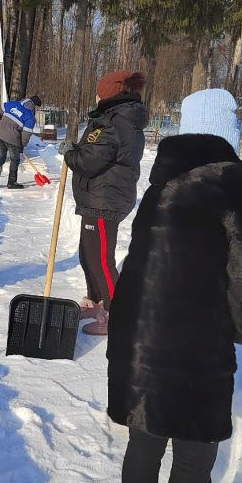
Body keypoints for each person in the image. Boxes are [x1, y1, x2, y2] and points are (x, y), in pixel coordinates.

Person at [107, 88, 242, 483]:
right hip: (195, 337)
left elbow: (140, 261)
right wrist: (238, 328)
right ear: (226, 129)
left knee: (145, 436)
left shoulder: (161, 183)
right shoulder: (236, 182)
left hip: (140, 329)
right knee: (195, 446)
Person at [63, 70, 147, 336]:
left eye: (99, 91)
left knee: (101, 260)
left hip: (105, 199)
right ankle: (98, 301)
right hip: (100, 197)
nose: (96, 96)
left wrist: (69, 153)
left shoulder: (113, 122)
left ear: (108, 94)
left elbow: (89, 160)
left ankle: (117, 315)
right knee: (88, 255)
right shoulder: (115, 119)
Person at [0, 94, 42, 189]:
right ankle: (12, 182)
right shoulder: (30, 116)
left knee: (0, 157)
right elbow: (26, 134)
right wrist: (22, 145)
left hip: (0, 134)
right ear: (34, 106)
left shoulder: (13, 103)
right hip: (12, 138)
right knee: (14, 160)